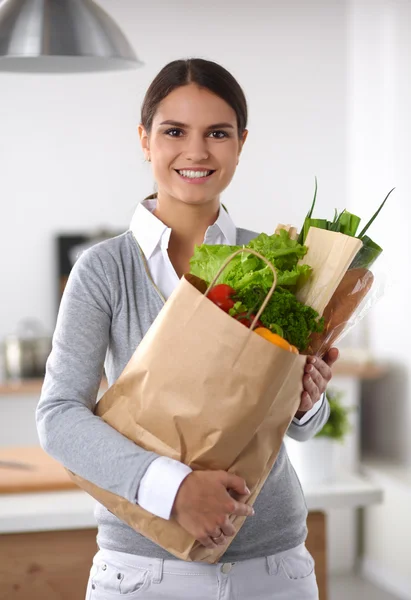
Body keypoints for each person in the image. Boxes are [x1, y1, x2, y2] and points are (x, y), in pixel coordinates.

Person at [36, 58, 339, 600]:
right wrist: (174, 490)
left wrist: (308, 400)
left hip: (274, 568)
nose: (196, 152)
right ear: (145, 140)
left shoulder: (280, 261)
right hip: (144, 571)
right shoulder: (104, 269)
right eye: (174, 131)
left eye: (217, 133)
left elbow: (297, 428)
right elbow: (58, 417)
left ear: (240, 144)